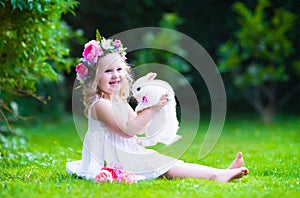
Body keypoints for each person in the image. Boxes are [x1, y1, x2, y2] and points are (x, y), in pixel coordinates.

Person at [66, 34, 249, 183]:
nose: (115, 75)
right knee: (167, 166)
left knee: (169, 164)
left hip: (126, 154)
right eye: (107, 71)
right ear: (94, 79)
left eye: (119, 70)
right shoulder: (100, 105)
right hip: (113, 160)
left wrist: (146, 101)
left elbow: (141, 127)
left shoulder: (117, 101)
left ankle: (220, 172)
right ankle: (217, 175)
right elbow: (129, 130)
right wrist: (152, 109)